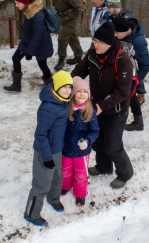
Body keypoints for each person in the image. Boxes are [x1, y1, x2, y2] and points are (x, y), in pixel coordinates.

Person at [71, 22, 134, 189]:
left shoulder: (123, 60)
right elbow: (78, 72)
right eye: (94, 40)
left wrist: (102, 106)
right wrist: (65, 87)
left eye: (99, 42)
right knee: (98, 141)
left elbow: (123, 91)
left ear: (109, 43)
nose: (95, 44)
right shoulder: (92, 54)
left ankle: (125, 173)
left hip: (116, 110)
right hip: (97, 107)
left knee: (113, 146)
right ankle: (104, 167)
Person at [24, 70, 73, 226]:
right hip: (44, 152)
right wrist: (46, 158)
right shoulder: (48, 107)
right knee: (42, 184)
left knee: (57, 177)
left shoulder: (63, 101)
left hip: (57, 149)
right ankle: (31, 213)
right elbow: (40, 135)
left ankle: (53, 199)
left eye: (70, 87)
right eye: (64, 87)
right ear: (56, 86)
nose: (68, 90)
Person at [4, 0, 53, 92]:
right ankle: (16, 85)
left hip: (41, 43)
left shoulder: (38, 14)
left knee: (42, 63)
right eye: (16, 3)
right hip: (27, 41)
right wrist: (25, 46)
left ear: (25, 2)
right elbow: (25, 30)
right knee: (16, 58)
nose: (16, 6)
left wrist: (29, 51)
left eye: (18, 3)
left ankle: (51, 85)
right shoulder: (24, 11)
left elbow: (37, 35)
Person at [61, 76, 99, 207]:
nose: (82, 94)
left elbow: (95, 131)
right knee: (65, 170)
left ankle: (80, 194)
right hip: (66, 148)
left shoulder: (90, 111)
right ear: (73, 94)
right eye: (78, 91)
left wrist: (88, 141)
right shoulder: (67, 109)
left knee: (81, 174)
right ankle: (65, 186)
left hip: (82, 150)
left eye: (85, 91)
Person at [112, 15, 149, 131]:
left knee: (126, 96)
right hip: (121, 72)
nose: (115, 35)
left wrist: (136, 80)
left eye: (117, 33)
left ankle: (123, 124)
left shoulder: (138, 42)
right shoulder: (118, 36)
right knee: (130, 96)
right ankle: (138, 122)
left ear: (127, 30)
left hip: (132, 75)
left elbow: (147, 64)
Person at [44, 0, 84, 71]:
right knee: (71, 35)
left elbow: (78, 7)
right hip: (63, 15)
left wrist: (68, 17)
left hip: (72, 16)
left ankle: (61, 60)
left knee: (62, 38)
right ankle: (79, 56)